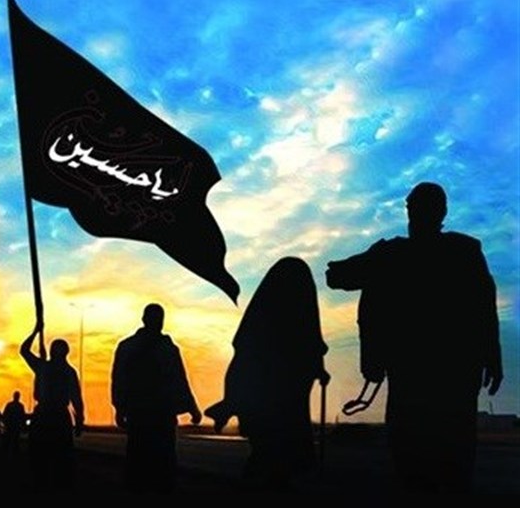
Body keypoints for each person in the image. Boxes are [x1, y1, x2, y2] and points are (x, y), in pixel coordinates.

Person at [325, 181, 503, 493]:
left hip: (424, 374)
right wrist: (493, 357)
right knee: (443, 456)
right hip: (449, 373)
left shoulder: (397, 254)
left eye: (415, 208)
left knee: (422, 456)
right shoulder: (462, 251)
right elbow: (485, 308)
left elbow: (484, 307)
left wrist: (375, 260)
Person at [204, 257, 331, 491]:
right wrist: (316, 367)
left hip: (281, 389)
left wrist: (317, 367)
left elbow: (308, 339)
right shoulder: (293, 308)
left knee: (274, 439)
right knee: (275, 437)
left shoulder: (262, 319)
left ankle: (271, 477)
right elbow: (310, 339)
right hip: (280, 389)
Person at [110, 302, 202, 493]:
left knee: (142, 462)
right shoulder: (165, 349)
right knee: (158, 463)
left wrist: (119, 408)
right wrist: (192, 407)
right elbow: (179, 380)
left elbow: (119, 379)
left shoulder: (130, 347)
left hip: (147, 413)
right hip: (155, 413)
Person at [20, 323, 85, 491]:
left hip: (52, 415)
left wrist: (35, 332)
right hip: (50, 415)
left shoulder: (46, 367)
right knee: (46, 455)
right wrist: (79, 420)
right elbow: (24, 351)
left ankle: (51, 486)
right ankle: (48, 485)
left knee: (53, 455)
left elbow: (76, 398)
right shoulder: (49, 368)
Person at [2, 390, 28, 459]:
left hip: (11, 426)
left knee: (9, 440)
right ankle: (14, 454)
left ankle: (7, 454)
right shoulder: (20, 406)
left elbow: (5, 415)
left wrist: (5, 423)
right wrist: (24, 425)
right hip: (15, 426)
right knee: (14, 440)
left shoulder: (10, 405)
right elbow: (23, 417)